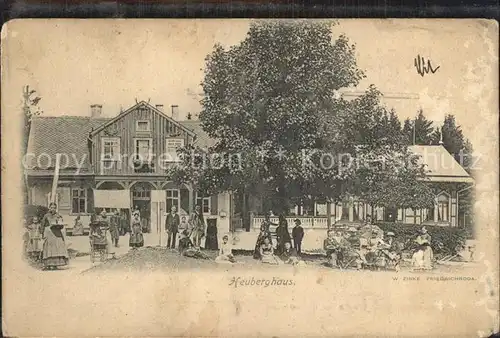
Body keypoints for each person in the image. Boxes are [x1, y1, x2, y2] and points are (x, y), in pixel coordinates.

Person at [41, 203, 69, 269]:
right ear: (49, 208)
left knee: (57, 249)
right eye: (51, 207)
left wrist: (59, 225)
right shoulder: (46, 216)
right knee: (49, 249)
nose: (52, 209)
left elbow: (61, 225)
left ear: (56, 208)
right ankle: (48, 264)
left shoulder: (58, 216)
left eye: (54, 208)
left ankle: (56, 264)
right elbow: (42, 225)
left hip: (57, 234)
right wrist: (42, 233)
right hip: (49, 233)